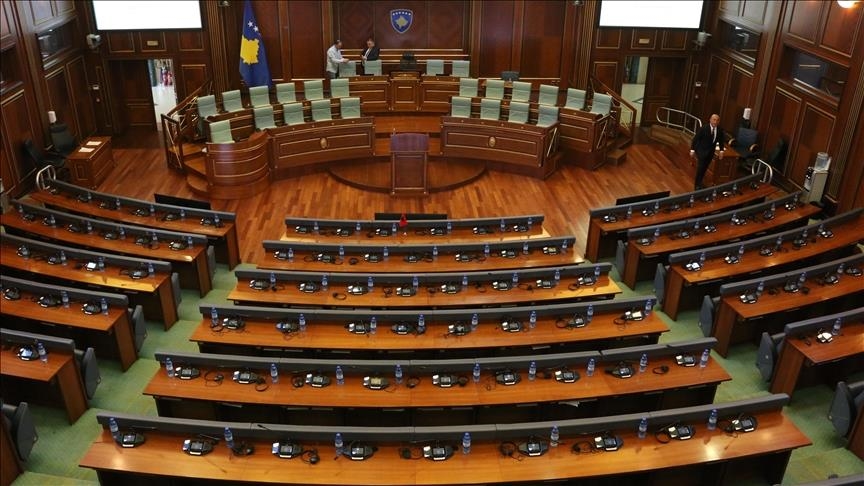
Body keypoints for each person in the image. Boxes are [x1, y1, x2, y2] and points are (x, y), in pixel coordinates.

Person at [690, 113, 725, 190]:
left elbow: (721, 141)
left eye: (717, 120)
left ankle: (700, 182)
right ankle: (697, 186)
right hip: (701, 151)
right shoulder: (704, 128)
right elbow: (695, 139)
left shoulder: (719, 130)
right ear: (710, 120)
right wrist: (692, 150)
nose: (715, 122)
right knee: (700, 168)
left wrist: (721, 151)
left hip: (710, 153)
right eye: (714, 120)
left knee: (705, 168)